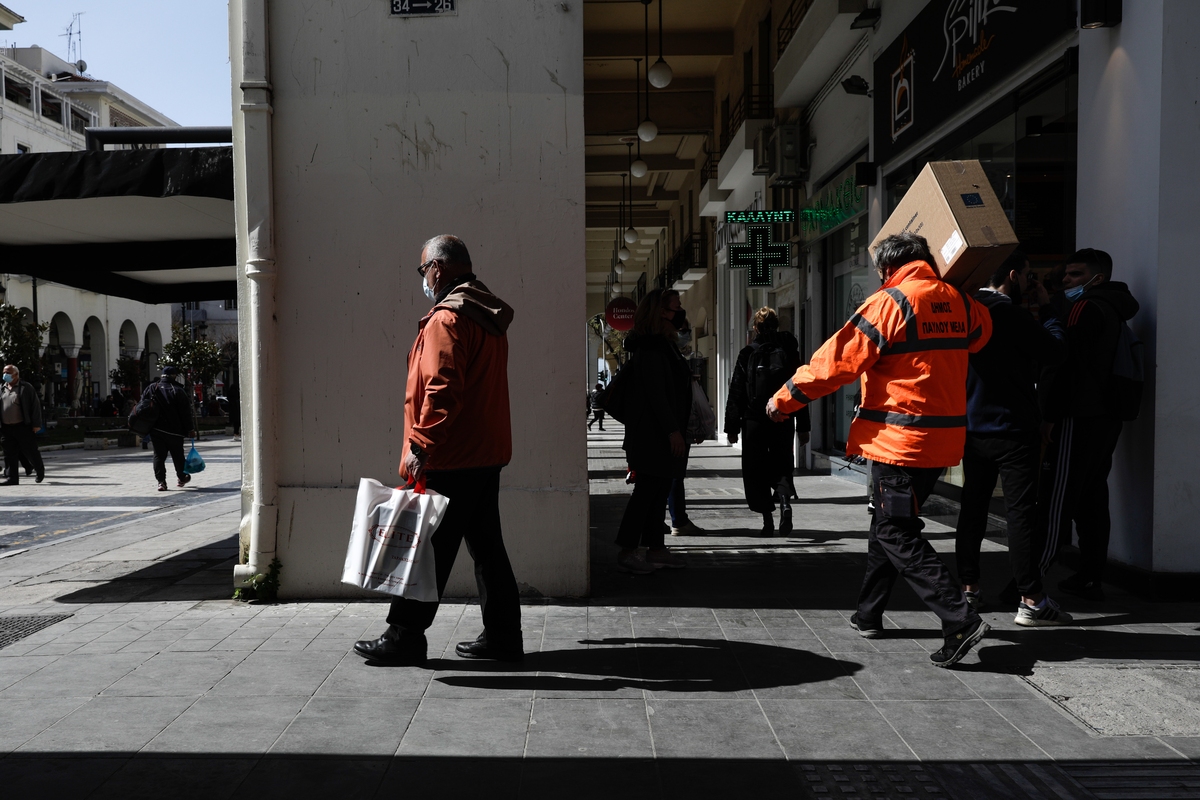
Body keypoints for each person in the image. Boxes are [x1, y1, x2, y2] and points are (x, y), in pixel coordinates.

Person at [767, 232, 993, 668]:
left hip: (898, 444)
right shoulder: (961, 302)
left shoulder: (890, 303)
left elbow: (836, 362)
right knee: (887, 525)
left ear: (889, 268)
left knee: (894, 532)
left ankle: (959, 618)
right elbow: (983, 335)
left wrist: (785, 399)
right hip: (941, 442)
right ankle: (868, 613)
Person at [355, 235, 522, 665]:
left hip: (452, 456)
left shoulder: (447, 319)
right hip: (484, 453)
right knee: (488, 549)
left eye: (423, 270)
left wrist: (421, 444)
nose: (424, 279)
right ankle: (504, 637)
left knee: (427, 548)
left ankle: (404, 636)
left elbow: (442, 388)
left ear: (438, 268)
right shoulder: (485, 316)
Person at [954, 250, 1071, 626]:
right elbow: (1054, 351)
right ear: (1013, 276)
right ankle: (1031, 599)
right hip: (1014, 430)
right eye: (1028, 275)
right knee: (1021, 514)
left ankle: (969, 589)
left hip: (972, 427)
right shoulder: (1012, 314)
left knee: (972, 509)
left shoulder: (964, 311)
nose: (1030, 282)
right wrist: (1049, 310)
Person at [1036, 248, 1139, 602]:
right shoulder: (1114, 307)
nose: (1067, 280)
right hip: (1105, 417)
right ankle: (1090, 575)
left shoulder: (1085, 308)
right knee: (1092, 497)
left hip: (1078, 416)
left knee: (1058, 498)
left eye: (1076, 274)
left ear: (1098, 278)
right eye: (1066, 274)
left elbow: (1066, 366)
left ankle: (1029, 581)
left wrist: (1051, 415)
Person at [613, 288, 692, 573]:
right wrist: (672, 431)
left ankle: (656, 549)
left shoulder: (663, 345)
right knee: (646, 493)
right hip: (653, 434)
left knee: (658, 492)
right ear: (662, 312)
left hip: (660, 432)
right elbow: (656, 394)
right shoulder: (651, 348)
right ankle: (628, 550)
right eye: (676, 307)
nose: (681, 311)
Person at [724, 307, 809, 536]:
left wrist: (731, 427)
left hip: (754, 420)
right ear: (777, 326)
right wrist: (803, 426)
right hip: (783, 416)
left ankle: (767, 522)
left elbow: (737, 391)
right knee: (782, 462)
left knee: (756, 470)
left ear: (755, 327)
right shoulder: (789, 353)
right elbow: (800, 389)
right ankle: (785, 503)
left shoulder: (747, 352)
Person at [142, 366, 197, 491]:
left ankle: (161, 482)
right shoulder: (178, 390)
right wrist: (190, 429)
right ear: (174, 376)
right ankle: (182, 477)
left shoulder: (152, 388)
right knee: (178, 455)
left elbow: (143, 405)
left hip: (156, 430)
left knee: (158, 456)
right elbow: (186, 413)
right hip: (175, 431)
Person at [1, 365, 45, 485]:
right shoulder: (2, 388)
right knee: (9, 453)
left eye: (8, 372)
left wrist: (36, 424)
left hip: (22, 426)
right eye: (4, 372)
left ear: (16, 374)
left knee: (30, 451)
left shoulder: (26, 388)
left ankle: (39, 471)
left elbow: (35, 406)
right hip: (6, 427)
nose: (5, 375)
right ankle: (12, 478)